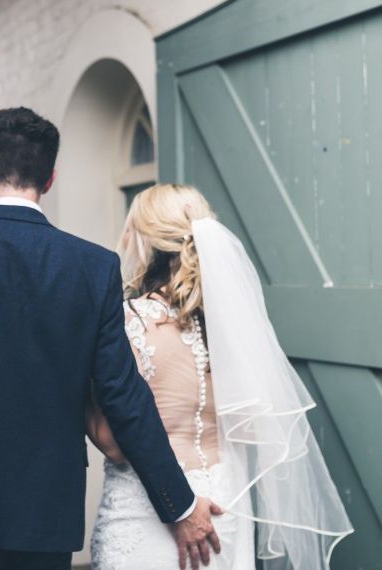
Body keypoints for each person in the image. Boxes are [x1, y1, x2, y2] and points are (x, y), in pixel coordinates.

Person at [0, 107, 220, 570]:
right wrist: (178, 502)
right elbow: (124, 397)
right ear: (49, 179)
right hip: (44, 511)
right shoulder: (92, 267)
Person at [88, 184, 353, 569]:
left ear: (146, 242)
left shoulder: (130, 322)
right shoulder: (231, 326)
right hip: (225, 509)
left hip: (149, 513)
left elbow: (113, 445)